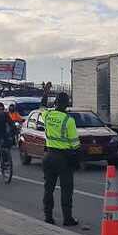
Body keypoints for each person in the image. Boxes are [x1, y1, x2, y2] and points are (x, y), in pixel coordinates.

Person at [42, 92, 80, 226]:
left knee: (48, 188)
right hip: (63, 158)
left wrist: (45, 93)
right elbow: (75, 144)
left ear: (55, 103)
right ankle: (67, 218)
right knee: (66, 189)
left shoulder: (47, 115)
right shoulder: (68, 120)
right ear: (67, 104)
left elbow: (42, 107)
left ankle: (48, 216)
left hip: (48, 155)